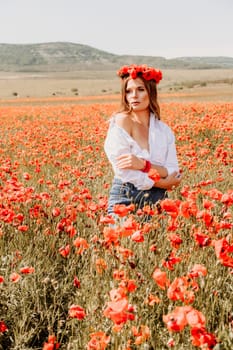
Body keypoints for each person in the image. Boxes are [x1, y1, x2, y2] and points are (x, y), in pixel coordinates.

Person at [104, 64, 182, 216]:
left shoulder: (163, 130)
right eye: (128, 91)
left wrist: (143, 165)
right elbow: (125, 171)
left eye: (140, 89)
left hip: (159, 201)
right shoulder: (121, 121)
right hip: (125, 198)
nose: (133, 95)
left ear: (150, 92)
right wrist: (162, 182)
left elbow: (174, 171)